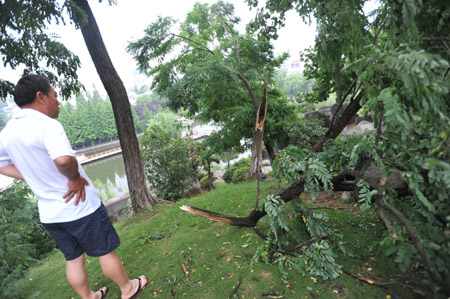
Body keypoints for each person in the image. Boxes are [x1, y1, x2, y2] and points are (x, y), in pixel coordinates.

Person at [0, 74, 147, 299]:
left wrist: (32, 175)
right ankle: (128, 289)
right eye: (55, 96)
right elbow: (63, 160)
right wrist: (74, 178)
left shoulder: (8, 132)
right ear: (40, 97)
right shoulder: (47, 125)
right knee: (104, 251)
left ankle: (89, 296)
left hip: (51, 215)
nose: (58, 101)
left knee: (73, 259)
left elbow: (2, 164)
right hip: (80, 207)